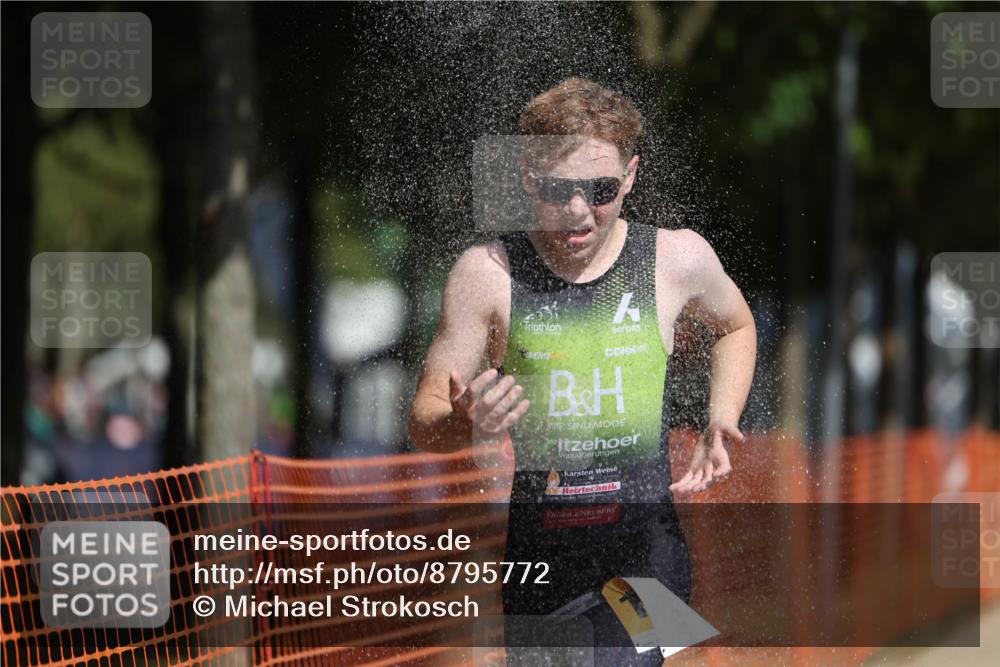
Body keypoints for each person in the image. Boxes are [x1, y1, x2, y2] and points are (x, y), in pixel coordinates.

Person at [409, 77, 756, 665]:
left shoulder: (675, 258)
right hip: (540, 565)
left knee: (604, 658)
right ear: (525, 178)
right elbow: (423, 421)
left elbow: (736, 326)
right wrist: (470, 423)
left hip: (649, 559)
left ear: (630, 176)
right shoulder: (486, 275)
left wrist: (720, 417)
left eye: (599, 189)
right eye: (555, 189)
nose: (577, 212)